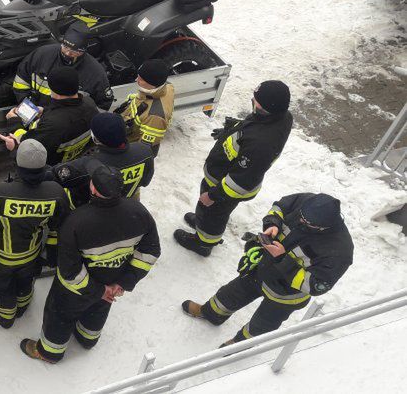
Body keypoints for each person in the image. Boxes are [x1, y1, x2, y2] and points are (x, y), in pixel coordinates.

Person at [21, 165, 160, 363]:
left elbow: (70, 272)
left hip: (76, 290)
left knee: (60, 315)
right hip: (113, 282)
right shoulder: (139, 212)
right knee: (99, 309)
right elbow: (151, 251)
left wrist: (97, 290)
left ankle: (49, 352)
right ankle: (87, 338)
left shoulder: (76, 222)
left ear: (93, 189)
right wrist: (121, 283)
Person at [182, 193, 353, 347]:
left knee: (262, 324)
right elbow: (280, 206)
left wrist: (281, 259)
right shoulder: (307, 203)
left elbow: (316, 285)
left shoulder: (340, 251)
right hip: (263, 268)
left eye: (307, 223)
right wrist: (273, 223)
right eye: (301, 217)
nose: (300, 221)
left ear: (323, 227)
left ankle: (240, 345)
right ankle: (211, 314)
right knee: (230, 294)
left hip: (285, 296)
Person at [174, 81, 293, 257]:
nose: (253, 100)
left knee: (213, 215)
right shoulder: (279, 117)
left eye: (257, 100)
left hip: (225, 188)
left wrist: (213, 195)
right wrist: (232, 131)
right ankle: (202, 224)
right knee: (209, 212)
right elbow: (254, 128)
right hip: (224, 179)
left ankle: (204, 242)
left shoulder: (261, 144)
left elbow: (241, 181)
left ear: (267, 107)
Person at [0, 140, 71, 328]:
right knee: (26, 281)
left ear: (17, 164)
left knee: (2, 289)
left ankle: (6, 318)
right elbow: (61, 224)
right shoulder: (56, 193)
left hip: (1, 259)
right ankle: (23, 305)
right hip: (31, 255)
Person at [0, 66, 99, 165]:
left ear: (54, 91)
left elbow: (27, 149)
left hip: (50, 168)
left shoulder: (53, 125)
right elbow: (69, 112)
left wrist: (14, 122)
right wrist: (46, 111)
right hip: (76, 159)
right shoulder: (90, 104)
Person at [53, 112, 156, 207]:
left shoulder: (86, 164)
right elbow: (145, 182)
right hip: (124, 203)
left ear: (96, 138)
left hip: (86, 210)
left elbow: (54, 176)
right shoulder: (144, 152)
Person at [13, 23, 114, 110]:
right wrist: (28, 107)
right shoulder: (41, 55)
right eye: (65, 47)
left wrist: (79, 121)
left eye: (74, 51)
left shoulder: (95, 73)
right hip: (34, 111)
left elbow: (103, 105)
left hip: (68, 122)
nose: (67, 53)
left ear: (83, 51)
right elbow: (20, 81)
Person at [117, 59, 174, 154]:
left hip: (128, 146)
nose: (136, 80)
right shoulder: (165, 86)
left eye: (141, 79)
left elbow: (144, 150)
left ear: (153, 84)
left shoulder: (155, 117)